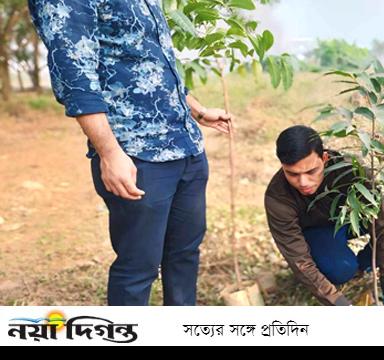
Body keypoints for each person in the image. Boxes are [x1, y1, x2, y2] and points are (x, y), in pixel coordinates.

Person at [29, 0, 232, 305]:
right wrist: (110, 154)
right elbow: (76, 78)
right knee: (139, 267)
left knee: (184, 255)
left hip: (185, 145)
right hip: (137, 156)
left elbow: (152, 60)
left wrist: (198, 111)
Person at [265, 126, 384, 306]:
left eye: (311, 172)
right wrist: (341, 305)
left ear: (324, 158)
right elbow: (300, 261)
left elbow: (383, 227)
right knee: (341, 271)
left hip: (352, 218)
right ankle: (347, 267)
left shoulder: (350, 170)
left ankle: (365, 265)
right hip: (319, 232)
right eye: (292, 174)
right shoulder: (277, 198)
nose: (303, 182)